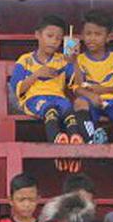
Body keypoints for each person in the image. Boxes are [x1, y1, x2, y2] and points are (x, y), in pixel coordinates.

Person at [10, 15, 88, 172]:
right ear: (38, 35)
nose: (54, 41)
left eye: (58, 38)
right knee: (50, 110)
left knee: (69, 112)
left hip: (59, 98)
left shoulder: (62, 60)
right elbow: (17, 88)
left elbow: (79, 83)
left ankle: (74, 146)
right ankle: (57, 147)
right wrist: (36, 74)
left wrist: (74, 61)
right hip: (34, 99)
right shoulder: (25, 60)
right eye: (49, 36)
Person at [72, 11, 113, 144]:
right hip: (91, 101)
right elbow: (77, 88)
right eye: (88, 34)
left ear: (108, 37)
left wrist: (101, 90)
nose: (92, 38)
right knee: (79, 103)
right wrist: (73, 61)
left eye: (98, 34)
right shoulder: (79, 59)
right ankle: (92, 138)